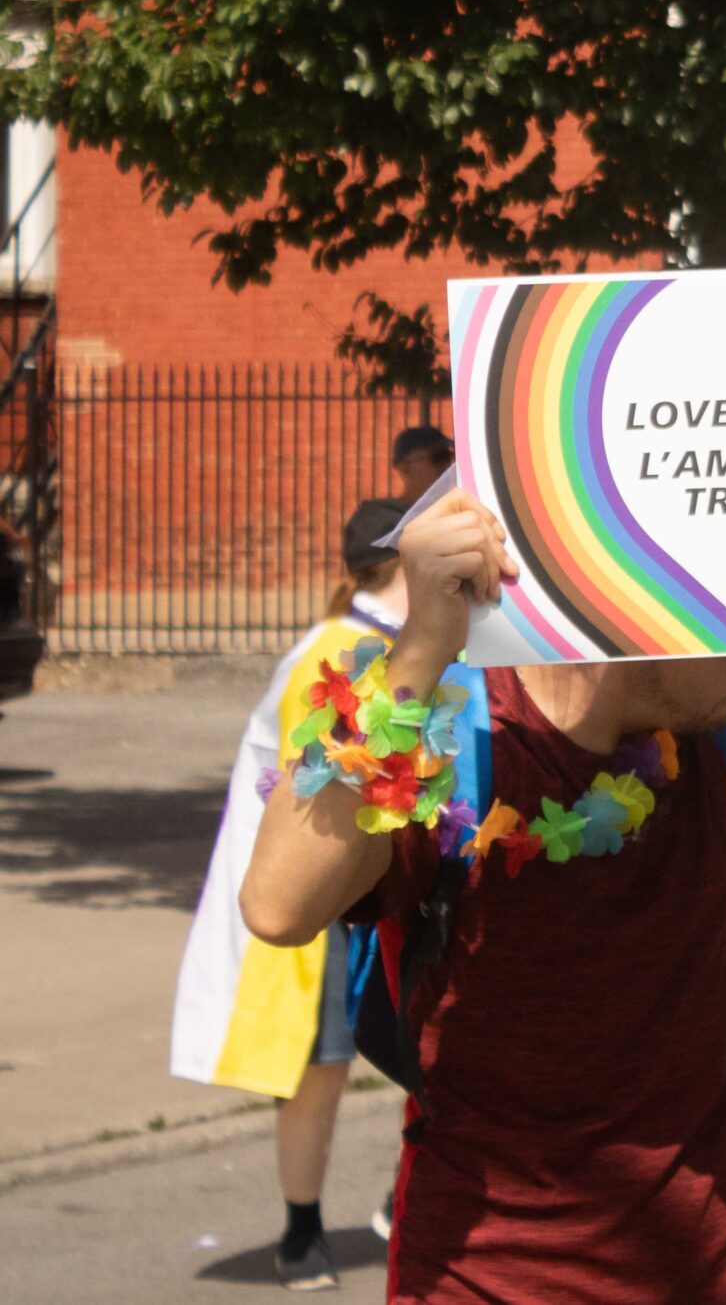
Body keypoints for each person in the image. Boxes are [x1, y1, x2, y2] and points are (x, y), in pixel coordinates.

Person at [239, 491, 726, 1304]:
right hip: (486, 1277)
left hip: (707, 1272)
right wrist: (418, 651)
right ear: (624, 617)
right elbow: (276, 907)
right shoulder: (443, 738)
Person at [172, 496, 413, 1290]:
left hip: (391, 880)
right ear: (404, 564)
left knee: (435, 1049)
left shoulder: (399, 640)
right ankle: (303, 1228)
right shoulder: (339, 648)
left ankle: (405, 1194)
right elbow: (320, 777)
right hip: (332, 893)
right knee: (322, 1064)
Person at [389, 425, 454, 505]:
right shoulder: (381, 514)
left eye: (448, 456)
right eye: (438, 458)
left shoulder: (458, 509)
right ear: (404, 467)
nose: (447, 466)